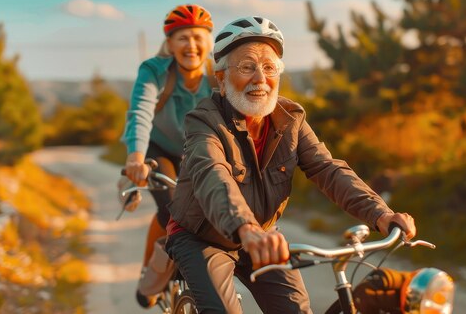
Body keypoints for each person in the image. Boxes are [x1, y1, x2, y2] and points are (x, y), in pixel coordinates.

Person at [164, 16, 417, 313]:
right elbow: (212, 175)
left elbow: (328, 168)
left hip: (260, 236)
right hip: (199, 235)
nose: (260, 78)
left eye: (269, 67)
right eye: (247, 67)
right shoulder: (204, 120)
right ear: (221, 77)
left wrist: (381, 214)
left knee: (295, 309)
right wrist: (245, 228)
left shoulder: (290, 119)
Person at [121, 3, 215, 308]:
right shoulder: (154, 71)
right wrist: (135, 158)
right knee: (172, 211)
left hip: (196, 154)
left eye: (198, 37)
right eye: (183, 38)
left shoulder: (218, 77)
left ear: (209, 42)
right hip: (156, 149)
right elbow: (140, 112)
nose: (191, 45)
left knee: (210, 214)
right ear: (170, 44)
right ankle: (151, 274)